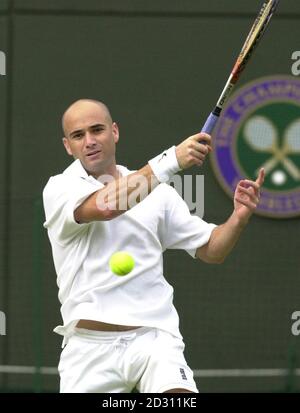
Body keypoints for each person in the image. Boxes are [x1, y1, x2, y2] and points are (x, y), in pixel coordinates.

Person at [43, 99, 264, 393]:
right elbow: (109, 205)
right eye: (78, 135)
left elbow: (212, 250)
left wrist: (238, 218)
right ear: (68, 146)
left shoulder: (159, 195)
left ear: (115, 132)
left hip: (155, 340)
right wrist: (171, 160)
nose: (90, 141)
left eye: (97, 130)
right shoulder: (60, 188)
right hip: (88, 348)